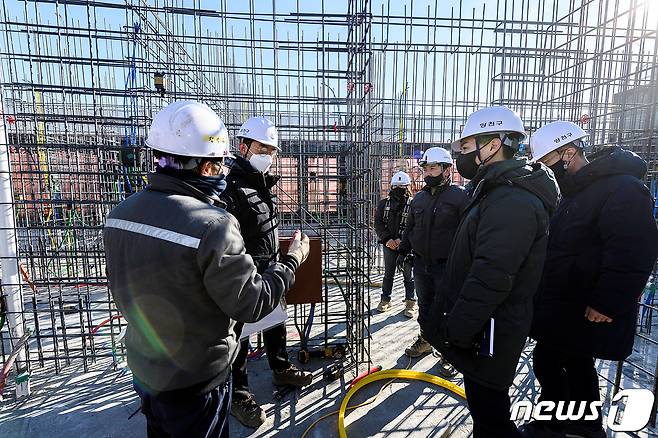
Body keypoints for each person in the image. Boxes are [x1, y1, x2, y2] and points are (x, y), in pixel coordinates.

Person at [103, 101, 310, 438]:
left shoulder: (120, 214)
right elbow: (250, 303)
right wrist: (292, 260)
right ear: (208, 166)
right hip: (195, 378)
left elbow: (126, 290)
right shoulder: (212, 223)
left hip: (146, 367)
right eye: (217, 165)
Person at [423, 106, 560, 438]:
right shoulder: (496, 191)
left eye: (467, 148)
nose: (462, 157)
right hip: (486, 327)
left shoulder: (512, 199)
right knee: (486, 409)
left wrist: (457, 328)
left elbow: (491, 276)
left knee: (491, 415)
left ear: (494, 144)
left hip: (491, 330)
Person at [525, 121, 658, 438]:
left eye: (547, 163)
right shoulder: (574, 193)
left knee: (553, 362)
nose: (545, 171)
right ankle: (580, 426)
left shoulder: (622, 188)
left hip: (587, 305)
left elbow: (632, 250)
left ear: (568, 153)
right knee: (570, 364)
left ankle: (564, 425)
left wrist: (606, 302)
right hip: (565, 302)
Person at [221, 116, 313, 428]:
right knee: (239, 339)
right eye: (263, 148)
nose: (268, 155)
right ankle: (239, 395)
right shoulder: (229, 186)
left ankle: (281, 368)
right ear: (242, 146)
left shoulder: (262, 184)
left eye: (273, 151)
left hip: (270, 270)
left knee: (276, 326)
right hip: (243, 277)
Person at [398, 147, 468, 358]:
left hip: (447, 266)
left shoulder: (460, 197)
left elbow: (468, 233)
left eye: (433, 168)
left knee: (448, 307)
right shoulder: (419, 199)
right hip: (421, 265)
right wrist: (403, 251)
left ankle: (448, 351)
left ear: (447, 170)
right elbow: (409, 228)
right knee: (425, 306)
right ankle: (426, 340)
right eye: (425, 169)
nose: (427, 173)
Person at [374, 171, 415, 316]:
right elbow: (378, 224)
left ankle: (410, 303)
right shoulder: (383, 204)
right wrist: (387, 240)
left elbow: (415, 226)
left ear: (407, 187)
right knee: (388, 274)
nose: (399, 189)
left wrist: (402, 240)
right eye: (396, 186)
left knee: (408, 275)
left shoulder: (414, 204)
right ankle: (385, 300)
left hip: (407, 246)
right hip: (389, 245)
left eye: (402, 186)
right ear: (391, 187)